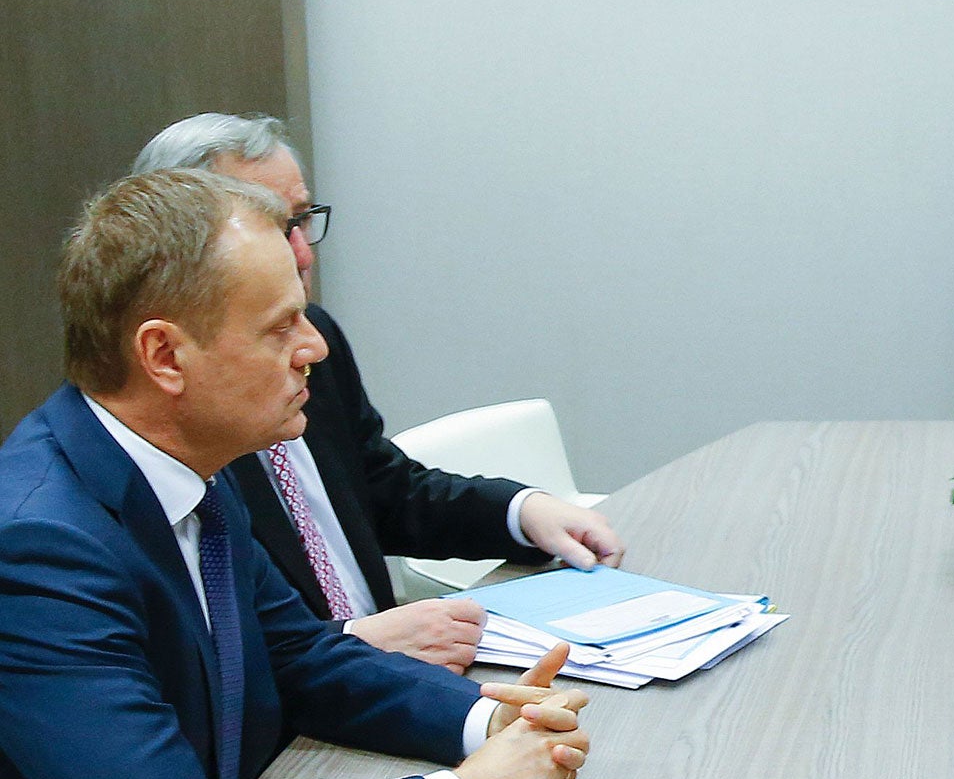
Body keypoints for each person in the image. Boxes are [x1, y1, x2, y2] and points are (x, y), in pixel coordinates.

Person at [0, 169, 595, 779]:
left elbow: (307, 662)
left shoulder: (190, 466)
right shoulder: (39, 546)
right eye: (279, 327)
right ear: (165, 356)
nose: (314, 349)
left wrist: (493, 719)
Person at [132, 113, 624, 672]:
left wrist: (520, 510)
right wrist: (351, 640)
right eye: (272, 227)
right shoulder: (172, 421)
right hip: (308, 716)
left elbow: (382, 488)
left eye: (302, 220)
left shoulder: (314, 338)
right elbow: (197, 657)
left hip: (404, 677)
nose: (303, 253)